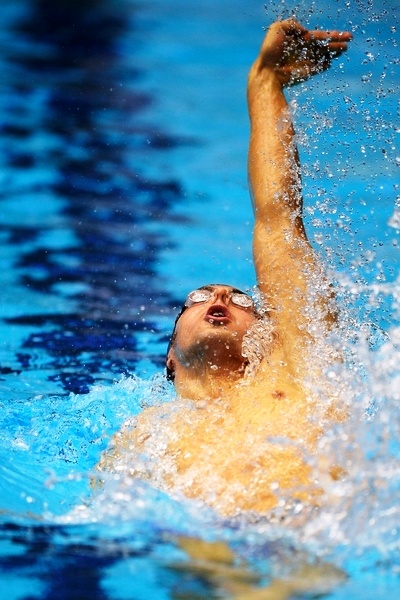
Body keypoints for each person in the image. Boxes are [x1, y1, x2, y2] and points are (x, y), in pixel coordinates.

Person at [98, 19, 353, 517]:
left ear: (271, 334)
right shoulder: (145, 433)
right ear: (170, 356)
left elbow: (278, 221)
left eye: (241, 300)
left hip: (299, 551)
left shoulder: (297, 369)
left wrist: (265, 84)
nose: (219, 300)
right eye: (199, 296)